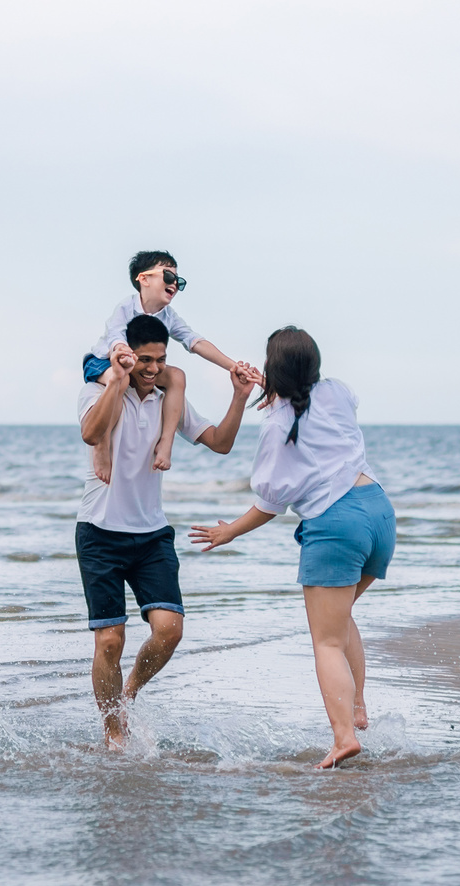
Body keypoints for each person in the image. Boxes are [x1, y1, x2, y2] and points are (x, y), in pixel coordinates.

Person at [189, 326, 394, 769]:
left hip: (338, 523)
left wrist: (228, 532)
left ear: (269, 370)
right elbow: (320, 399)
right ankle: (357, 708)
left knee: (325, 641)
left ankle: (343, 738)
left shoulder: (277, 426)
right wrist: (284, 391)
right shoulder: (336, 392)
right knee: (339, 622)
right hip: (378, 511)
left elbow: (271, 502)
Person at [77, 312, 258, 749]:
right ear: (125, 355)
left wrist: (238, 398)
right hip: (99, 531)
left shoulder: (167, 399)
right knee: (109, 641)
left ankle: (130, 691)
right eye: (144, 359)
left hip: (152, 534)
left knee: (170, 629)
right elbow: (90, 432)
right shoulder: (97, 389)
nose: (153, 368)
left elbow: (219, 441)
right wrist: (117, 382)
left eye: (159, 359)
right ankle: (113, 730)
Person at [81, 250, 258, 481]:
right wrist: (122, 353)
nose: (174, 283)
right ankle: (102, 447)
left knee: (177, 376)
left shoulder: (168, 315)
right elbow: (115, 336)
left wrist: (233, 366)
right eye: (168, 276)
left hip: (134, 365)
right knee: (122, 379)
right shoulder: (125, 308)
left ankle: (166, 442)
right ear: (144, 279)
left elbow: (195, 341)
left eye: (178, 281)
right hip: (104, 362)